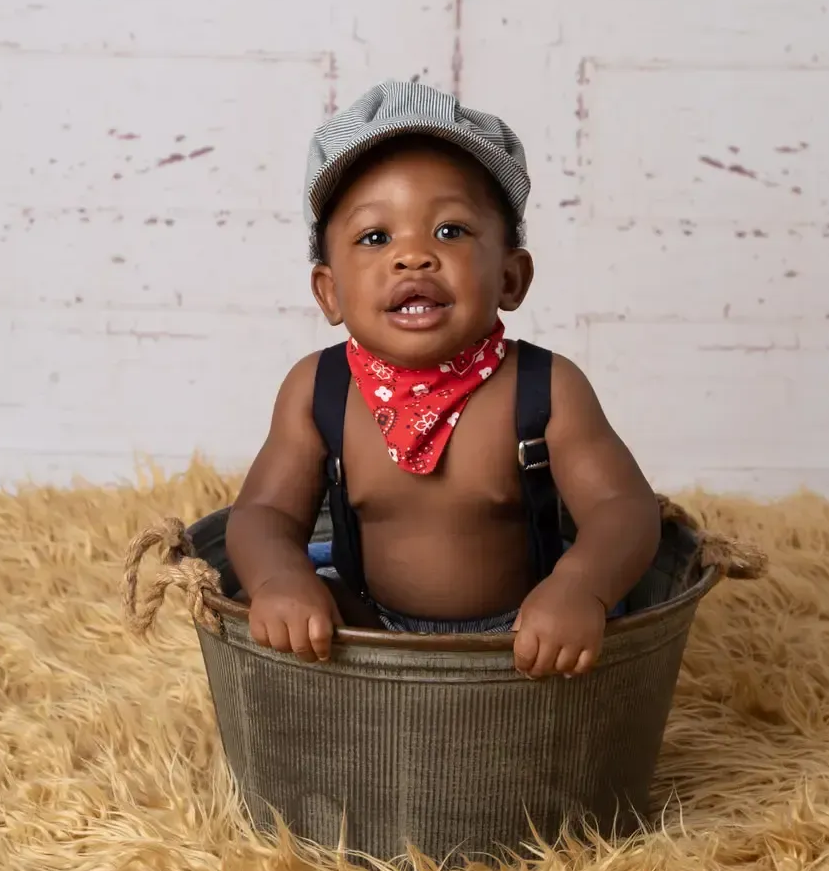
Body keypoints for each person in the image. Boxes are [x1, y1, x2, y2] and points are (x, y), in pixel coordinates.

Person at [226, 81, 660, 677]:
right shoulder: (318, 389)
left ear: (511, 277)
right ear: (330, 292)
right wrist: (281, 578)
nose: (413, 257)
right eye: (375, 238)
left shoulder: (545, 387)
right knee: (286, 614)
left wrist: (580, 587)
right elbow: (262, 515)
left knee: (600, 625)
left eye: (451, 231)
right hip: (365, 622)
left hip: (523, 628)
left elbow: (623, 508)